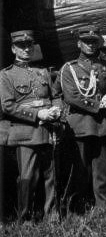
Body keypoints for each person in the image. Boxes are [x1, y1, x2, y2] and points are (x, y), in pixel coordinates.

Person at [0, 30, 64, 221]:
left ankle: (52, 216)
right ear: (13, 49)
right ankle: (25, 217)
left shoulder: (42, 72)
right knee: (28, 178)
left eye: (29, 45)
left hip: (47, 130)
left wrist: (57, 110)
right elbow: (8, 105)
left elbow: (55, 96)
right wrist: (38, 114)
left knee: (50, 176)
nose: (27, 49)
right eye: (22, 46)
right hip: (25, 133)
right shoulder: (6, 75)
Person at [59, 25, 106, 211]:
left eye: (94, 42)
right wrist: (98, 105)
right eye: (86, 42)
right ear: (79, 44)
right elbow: (71, 97)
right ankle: (75, 206)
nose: (91, 46)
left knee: (101, 169)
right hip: (80, 125)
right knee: (79, 168)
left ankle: (103, 206)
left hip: (101, 125)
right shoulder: (69, 68)